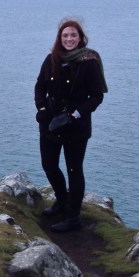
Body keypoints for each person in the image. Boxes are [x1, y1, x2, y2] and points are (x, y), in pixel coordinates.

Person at [34, 19, 108, 232]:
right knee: (49, 164)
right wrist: (41, 109)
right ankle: (62, 200)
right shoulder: (51, 59)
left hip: (76, 126)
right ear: (60, 38)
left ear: (80, 38)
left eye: (73, 35)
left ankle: (73, 218)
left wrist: (76, 114)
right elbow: (40, 85)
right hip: (51, 123)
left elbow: (96, 95)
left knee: (74, 170)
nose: (69, 39)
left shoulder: (89, 61)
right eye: (65, 36)